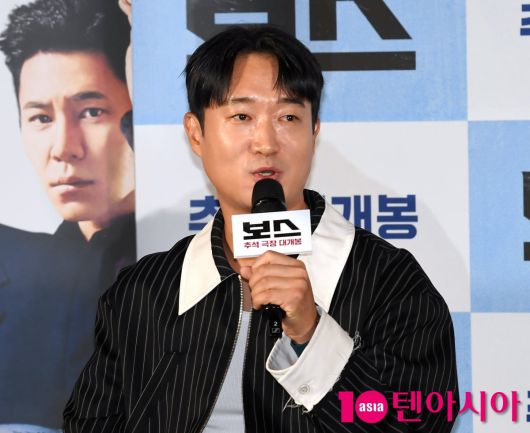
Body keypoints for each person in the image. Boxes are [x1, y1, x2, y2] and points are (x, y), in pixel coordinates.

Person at [64, 26, 459, 432]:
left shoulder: (388, 281)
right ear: (196, 134)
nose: (266, 143)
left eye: (288, 117)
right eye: (242, 117)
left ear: (314, 132)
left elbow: (422, 424)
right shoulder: (144, 291)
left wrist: (312, 334)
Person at [0, 0, 135, 429]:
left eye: (91, 112)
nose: (63, 147)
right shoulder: (21, 275)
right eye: (40, 117)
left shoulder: (189, 256)